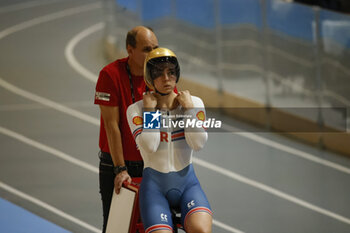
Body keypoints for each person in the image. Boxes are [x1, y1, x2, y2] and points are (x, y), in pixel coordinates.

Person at [127, 48, 213, 233]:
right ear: (150, 78)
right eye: (159, 73)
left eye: (171, 72)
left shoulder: (194, 103)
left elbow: (198, 144)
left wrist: (189, 109)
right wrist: (151, 113)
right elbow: (150, 146)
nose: (166, 78)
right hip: (154, 189)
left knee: (201, 231)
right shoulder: (136, 110)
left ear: (177, 74)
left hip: (188, 184)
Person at [94, 26, 158, 233]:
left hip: (151, 166)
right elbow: (112, 127)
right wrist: (120, 169)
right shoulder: (109, 75)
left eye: (156, 48)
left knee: (152, 226)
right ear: (130, 50)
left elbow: (164, 124)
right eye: (147, 49)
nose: (153, 54)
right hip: (117, 165)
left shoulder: (160, 76)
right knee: (116, 228)